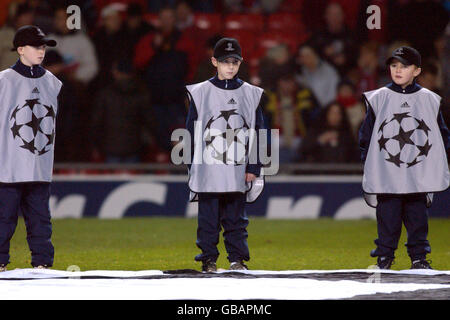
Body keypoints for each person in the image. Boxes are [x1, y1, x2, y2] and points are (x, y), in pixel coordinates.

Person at [359, 46, 450, 270]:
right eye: (394, 65)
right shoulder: (378, 98)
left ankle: (419, 257)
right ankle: (385, 257)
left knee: (417, 218)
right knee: (387, 218)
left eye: (404, 66)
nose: (398, 70)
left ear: (417, 70)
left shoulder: (429, 99)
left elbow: (441, 136)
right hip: (387, 176)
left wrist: (434, 165)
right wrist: (369, 165)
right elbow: (366, 136)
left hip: (418, 176)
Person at [185, 38, 266, 272]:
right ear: (214, 62)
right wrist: (192, 165)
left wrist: (254, 167)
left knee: (236, 219)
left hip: (237, 168)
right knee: (208, 219)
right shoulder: (201, 92)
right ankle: (208, 259)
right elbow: (191, 131)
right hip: (208, 168)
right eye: (224, 61)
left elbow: (259, 132)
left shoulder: (250, 93)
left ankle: (237, 259)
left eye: (235, 62)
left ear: (241, 63)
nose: (230, 66)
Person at [0, 25, 62, 272]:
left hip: (39, 166)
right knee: (4, 220)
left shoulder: (52, 82)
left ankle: (42, 263)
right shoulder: (4, 81)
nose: (42, 51)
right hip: (8, 166)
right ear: (20, 49)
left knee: (41, 221)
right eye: (37, 46)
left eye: (44, 46)